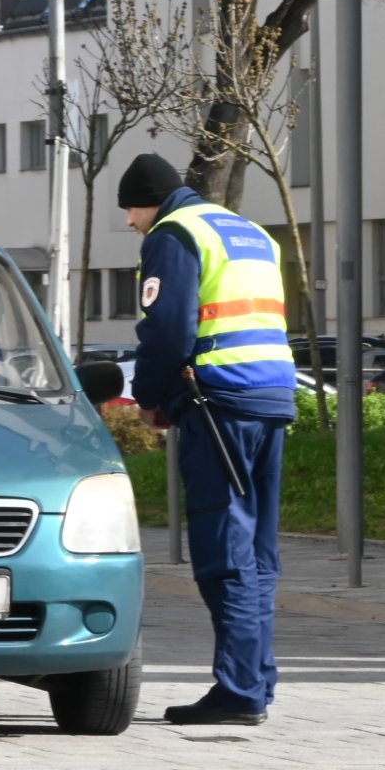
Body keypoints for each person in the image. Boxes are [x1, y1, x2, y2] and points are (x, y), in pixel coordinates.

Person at [119, 153, 297, 727]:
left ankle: (240, 690)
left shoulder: (173, 234)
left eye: (131, 210)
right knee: (259, 550)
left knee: (224, 548)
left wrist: (149, 396)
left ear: (151, 202)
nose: (130, 222)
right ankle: (256, 681)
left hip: (218, 401)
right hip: (271, 394)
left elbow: (168, 330)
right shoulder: (248, 232)